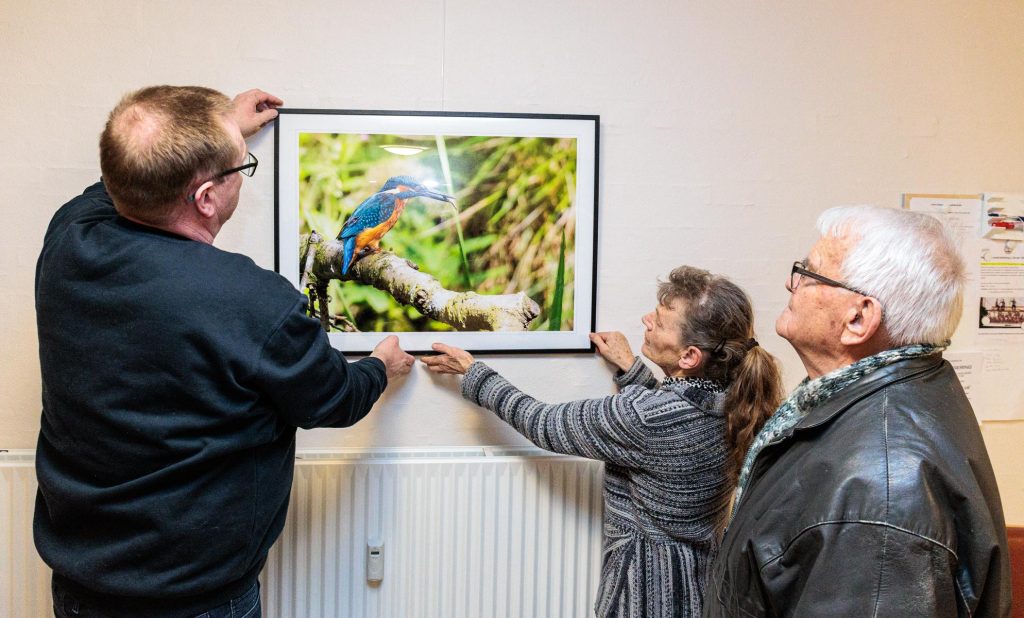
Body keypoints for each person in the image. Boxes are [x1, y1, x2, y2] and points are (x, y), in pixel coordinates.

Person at [34, 86, 415, 618]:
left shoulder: (68, 239)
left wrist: (219, 128)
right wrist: (381, 366)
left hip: (80, 590)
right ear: (208, 197)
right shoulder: (253, 302)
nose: (243, 171)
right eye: (242, 167)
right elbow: (333, 400)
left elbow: (126, 174)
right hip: (196, 601)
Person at [422, 266, 783, 617]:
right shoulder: (734, 402)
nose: (646, 320)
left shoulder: (645, 417)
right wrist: (633, 370)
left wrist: (474, 373)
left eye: (660, 319)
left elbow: (543, 422)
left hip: (642, 595)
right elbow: (673, 420)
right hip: (699, 588)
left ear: (690, 356)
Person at [705, 206, 1012, 616]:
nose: (790, 283)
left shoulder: (880, 490)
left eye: (808, 274)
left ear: (858, 317)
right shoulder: (893, 393)